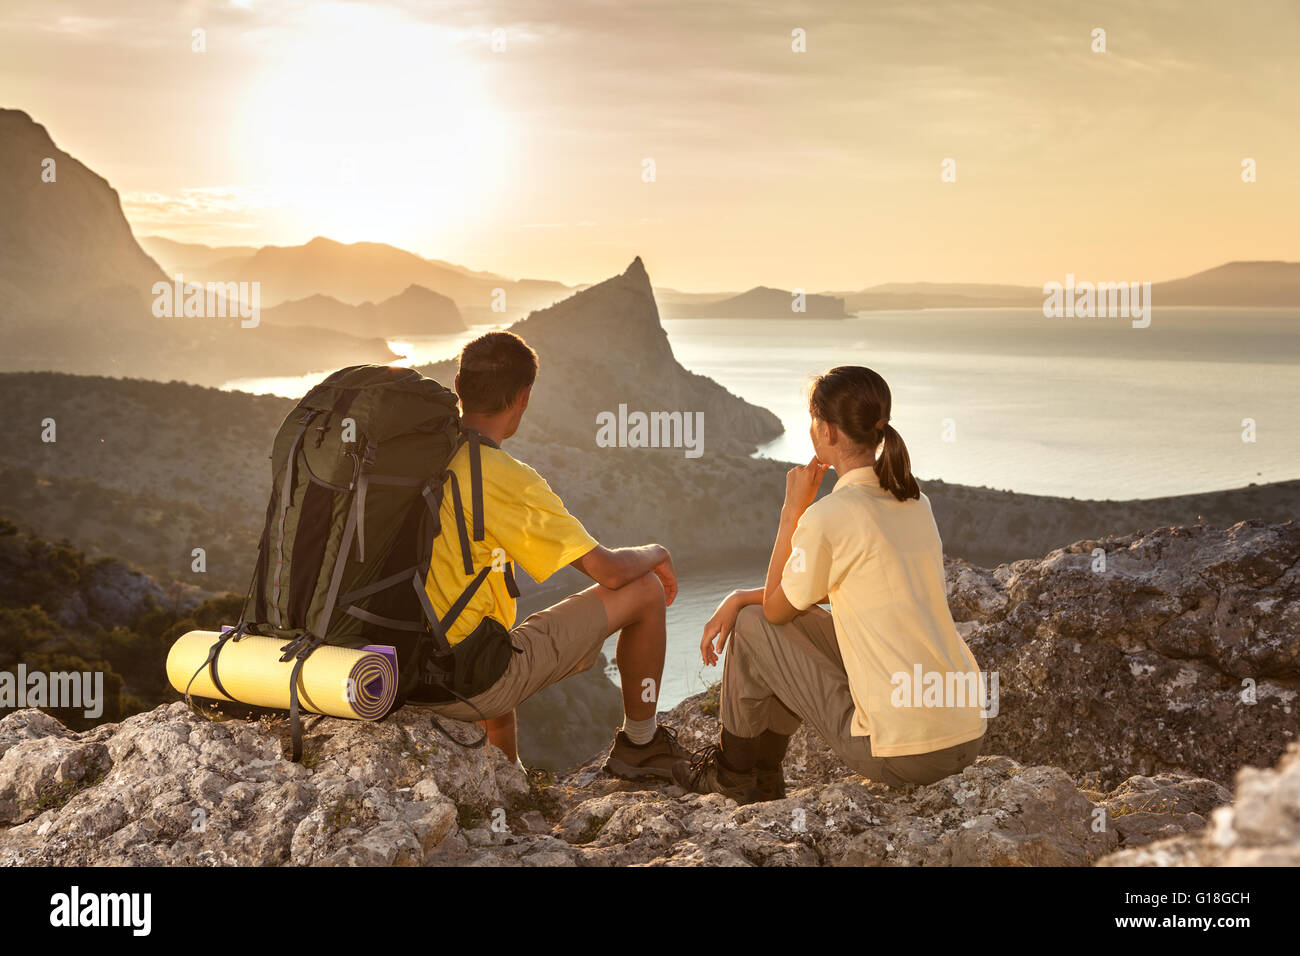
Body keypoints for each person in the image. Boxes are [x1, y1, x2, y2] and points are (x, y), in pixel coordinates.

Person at [674, 366, 987, 802]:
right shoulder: (915, 501)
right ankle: (762, 775)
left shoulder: (829, 515)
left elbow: (776, 611)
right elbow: (852, 583)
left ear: (826, 430)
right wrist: (739, 594)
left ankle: (735, 773)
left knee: (752, 624)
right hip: (965, 732)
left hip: (902, 753)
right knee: (765, 612)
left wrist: (792, 511)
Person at [416, 331, 693, 778]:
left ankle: (509, 784)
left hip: (387, 667)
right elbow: (609, 571)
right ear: (523, 397)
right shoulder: (507, 478)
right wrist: (657, 551)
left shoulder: (412, 458)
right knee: (643, 590)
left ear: (458, 386)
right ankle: (641, 745)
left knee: (489, 647)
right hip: (458, 681)